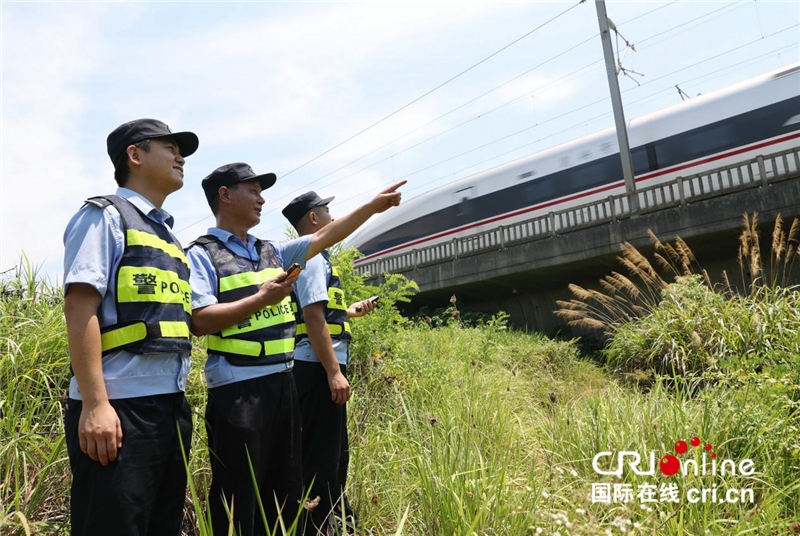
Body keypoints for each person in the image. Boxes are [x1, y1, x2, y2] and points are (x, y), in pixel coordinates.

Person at [185, 162, 405, 536]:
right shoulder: (201, 254)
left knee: (286, 491)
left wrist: (372, 207)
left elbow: (327, 235)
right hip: (238, 392)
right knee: (239, 493)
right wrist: (261, 299)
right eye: (252, 191)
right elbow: (200, 320)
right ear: (225, 194)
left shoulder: (274, 251)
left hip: (283, 385)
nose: (261, 198)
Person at [62, 118, 199, 536]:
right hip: (120, 408)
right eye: (169, 147)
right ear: (135, 156)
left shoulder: (168, 237)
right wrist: (96, 404)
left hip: (170, 407)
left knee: (162, 524)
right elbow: (79, 306)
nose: (180, 157)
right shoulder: (103, 217)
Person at [282, 192, 377, 535]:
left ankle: (336, 523)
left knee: (334, 456)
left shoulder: (318, 260)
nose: (332, 216)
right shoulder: (310, 258)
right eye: (326, 211)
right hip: (317, 370)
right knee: (322, 459)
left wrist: (351, 312)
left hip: (319, 367)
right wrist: (333, 372)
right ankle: (321, 527)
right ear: (313, 219)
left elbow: (322, 311)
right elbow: (311, 317)